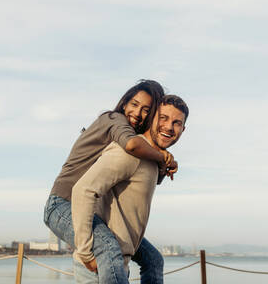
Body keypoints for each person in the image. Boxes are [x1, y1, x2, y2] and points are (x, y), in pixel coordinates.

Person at [44, 80, 178, 284]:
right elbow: (133, 146)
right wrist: (162, 156)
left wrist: (163, 161)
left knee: (152, 259)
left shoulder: (135, 139)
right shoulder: (114, 119)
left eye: (146, 110)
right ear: (124, 103)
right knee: (108, 247)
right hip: (62, 203)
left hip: (86, 207)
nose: (138, 112)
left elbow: (148, 177)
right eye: (134, 104)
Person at [71, 95, 189, 284]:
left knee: (155, 260)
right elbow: (82, 191)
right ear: (152, 118)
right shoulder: (129, 153)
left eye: (176, 123)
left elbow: (140, 183)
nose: (169, 127)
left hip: (117, 264)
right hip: (99, 267)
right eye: (164, 118)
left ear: (183, 129)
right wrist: (85, 253)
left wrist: (166, 163)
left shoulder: (151, 157)